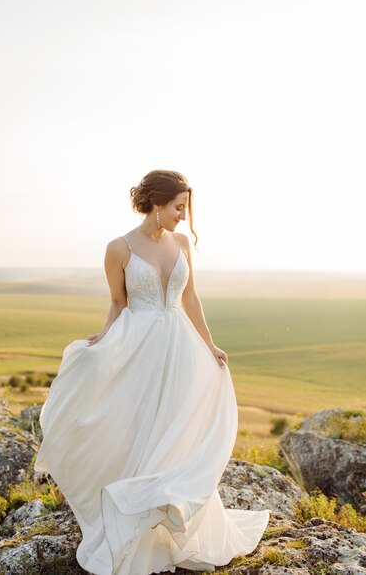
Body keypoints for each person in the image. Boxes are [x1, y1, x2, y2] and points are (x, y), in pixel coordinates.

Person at [34, 169, 270, 575]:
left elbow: (191, 297)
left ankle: (175, 518)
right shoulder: (118, 248)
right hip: (138, 348)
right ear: (156, 204)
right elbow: (117, 302)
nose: (184, 216)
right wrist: (103, 339)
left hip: (181, 348)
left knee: (176, 432)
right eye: (179, 207)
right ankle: (137, 529)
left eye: (186, 208)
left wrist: (210, 345)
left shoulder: (180, 243)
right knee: (142, 429)